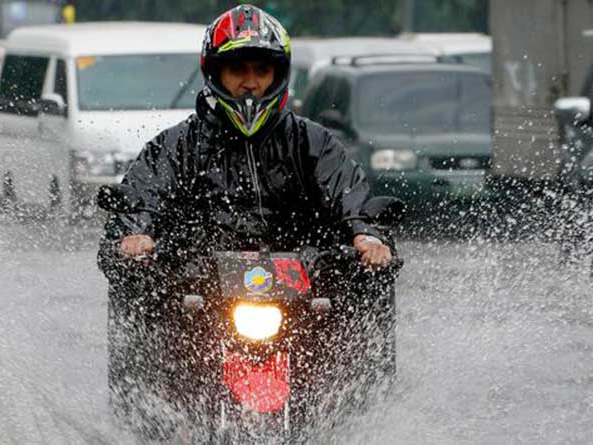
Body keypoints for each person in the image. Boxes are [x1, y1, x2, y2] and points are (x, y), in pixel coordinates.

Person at [97, 4, 399, 434]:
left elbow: (349, 194)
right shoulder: (178, 145)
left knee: (358, 313)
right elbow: (144, 194)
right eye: (238, 69)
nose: (251, 82)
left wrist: (366, 236)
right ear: (215, 73)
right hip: (199, 293)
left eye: (262, 69)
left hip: (301, 292)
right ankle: (163, 428)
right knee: (154, 321)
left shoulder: (311, 141)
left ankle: (344, 425)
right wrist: (135, 233)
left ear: (279, 75)